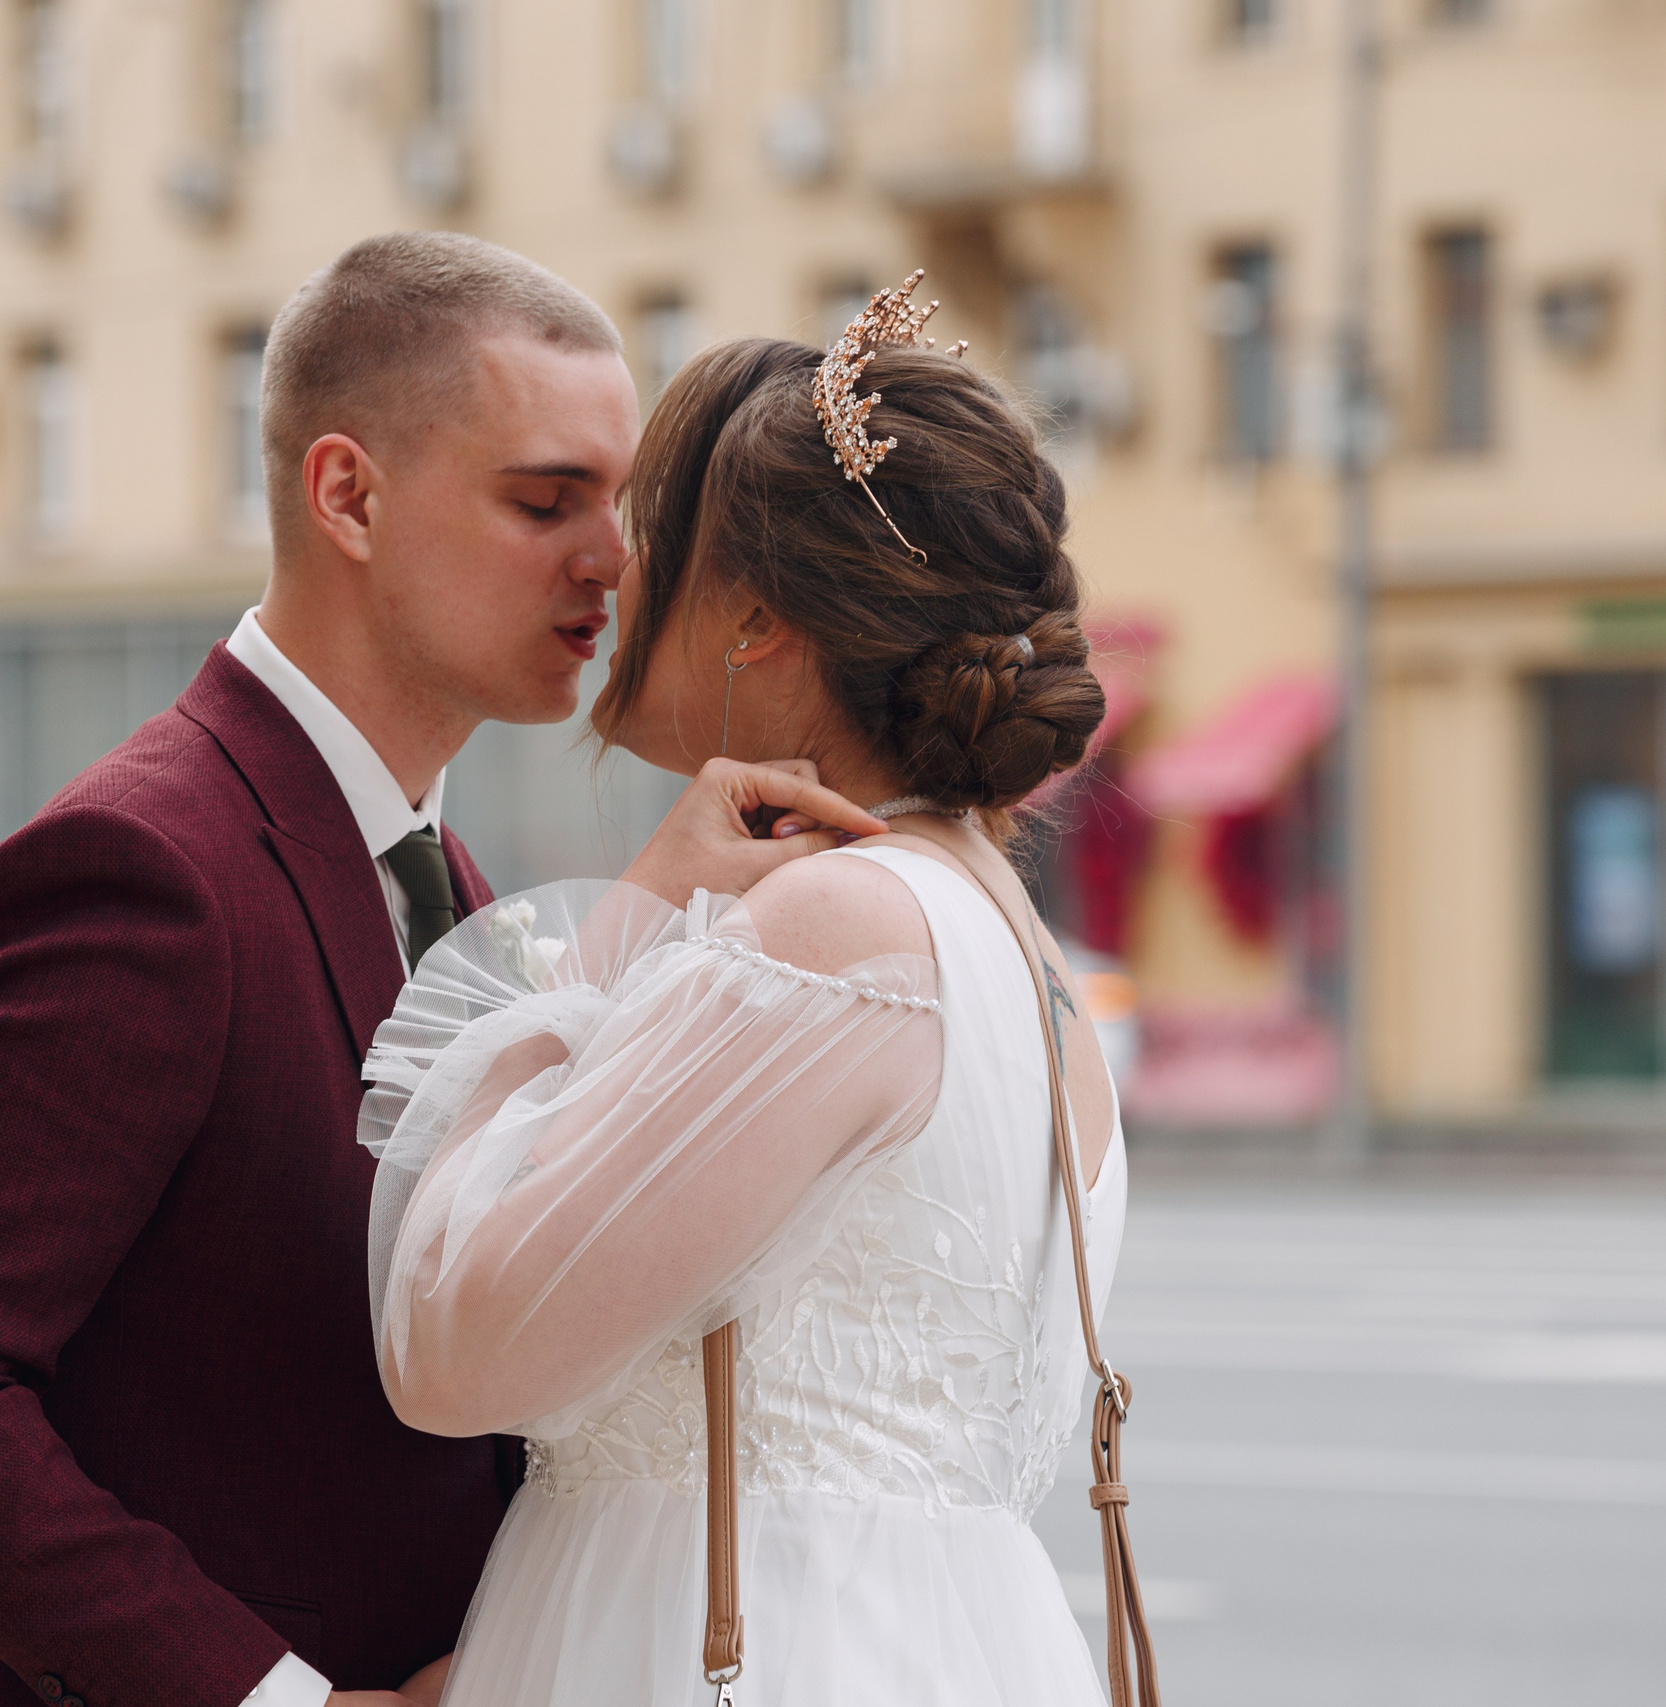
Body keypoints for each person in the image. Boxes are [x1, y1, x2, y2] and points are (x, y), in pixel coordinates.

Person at [0, 233, 883, 1707]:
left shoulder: (457, 881)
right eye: (544, 499)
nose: (612, 560)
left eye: (615, 504)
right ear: (349, 496)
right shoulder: (142, 874)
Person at [358, 288, 1127, 1704]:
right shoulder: (1019, 948)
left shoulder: (836, 927)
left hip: (729, 1647)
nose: (609, 574)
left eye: (650, 539)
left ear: (759, 622)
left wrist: (632, 914)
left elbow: (454, 1344)